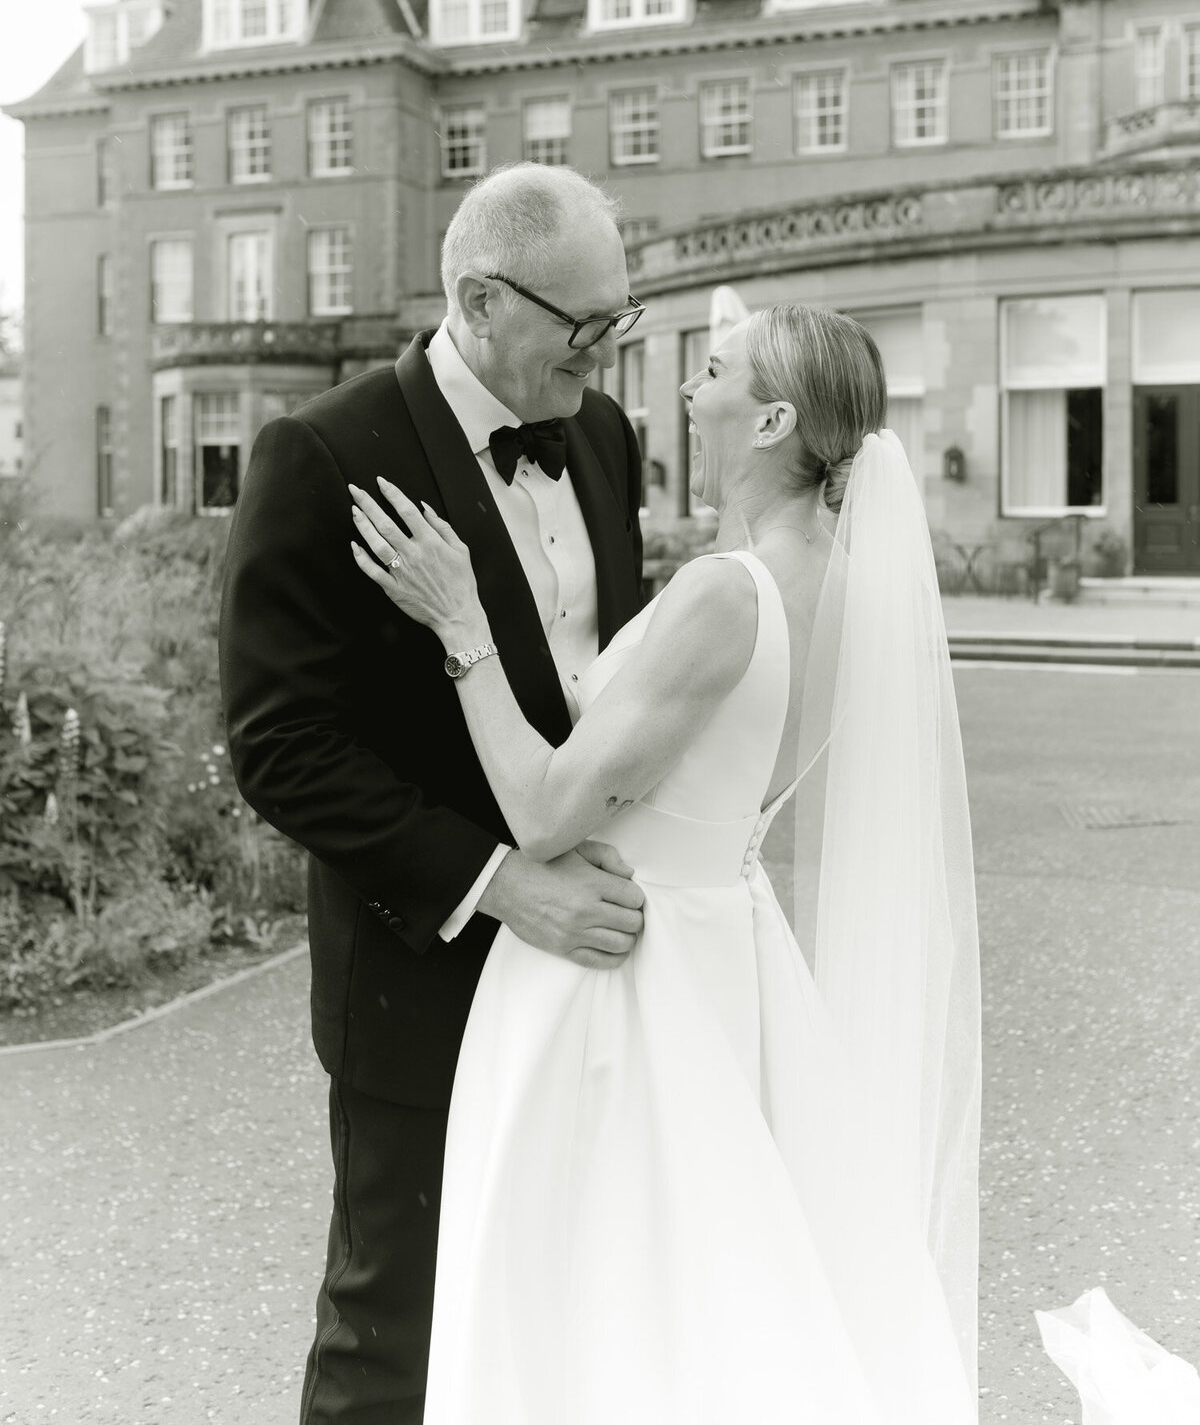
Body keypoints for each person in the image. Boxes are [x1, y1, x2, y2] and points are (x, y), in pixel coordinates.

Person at [350, 302, 984, 1425]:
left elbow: (546, 810)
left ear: (773, 418)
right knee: (706, 1297)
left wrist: (462, 624)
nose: (690, 390)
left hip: (617, 974)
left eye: (717, 371)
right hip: (726, 949)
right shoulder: (847, 583)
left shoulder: (726, 592)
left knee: (593, 1310)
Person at [218, 163, 649, 1423]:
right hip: (427, 979)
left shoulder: (606, 434)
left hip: (599, 971)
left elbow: (598, 677)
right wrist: (506, 886)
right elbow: (280, 742)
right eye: (586, 326)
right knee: (390, 1331)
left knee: (564, 1304)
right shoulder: (323, 452)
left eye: (625, 316)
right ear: (477, 298)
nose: (611, 352)